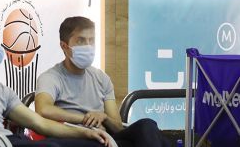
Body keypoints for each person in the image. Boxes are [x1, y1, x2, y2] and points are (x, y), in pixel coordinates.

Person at [35, 17, 169, 147]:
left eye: (91, 40)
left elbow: (117, 127)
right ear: (64, 46)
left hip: (106, 137)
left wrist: (104, 117)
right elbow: (43, 109)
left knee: (147, 126)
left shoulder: (101, 78)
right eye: (81, 41)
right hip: (75, 136)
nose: (88, 46)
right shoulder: (50, 77)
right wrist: (85, 119)